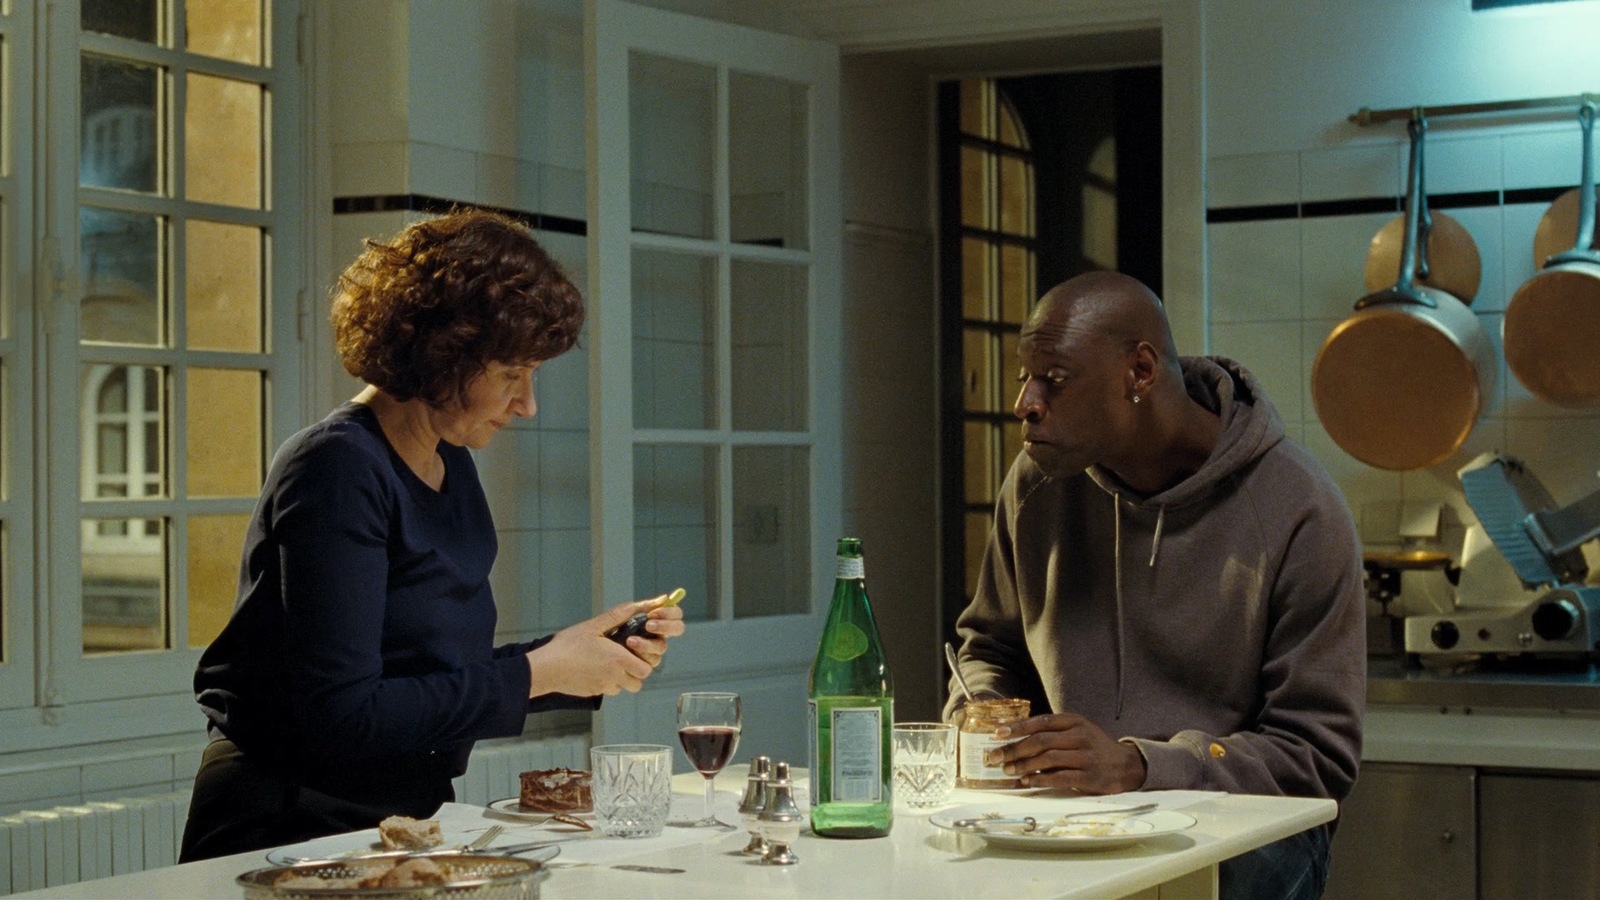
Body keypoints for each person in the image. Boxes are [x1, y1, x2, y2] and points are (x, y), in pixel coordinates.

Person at [179, 208, 685, 862]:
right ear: (443, 353)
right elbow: (344, 713)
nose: (528, 404)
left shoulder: (453, 466)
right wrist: (539, 672)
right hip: (285, 825)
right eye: (511, 374)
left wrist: (582, 657)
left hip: (388, 820)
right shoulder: (336, 468)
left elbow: (432, 680)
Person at [946, 271, 1364, 900]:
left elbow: (1315, 757)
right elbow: (989, 650)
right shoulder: (1035, 487)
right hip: (1067, 817)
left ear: (1139, 373)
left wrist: (1140, 765)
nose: (1025, 404)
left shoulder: (1298, 509)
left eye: (1054, 380)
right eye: (1024, 378)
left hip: (1245, 828)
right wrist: (985, 719)